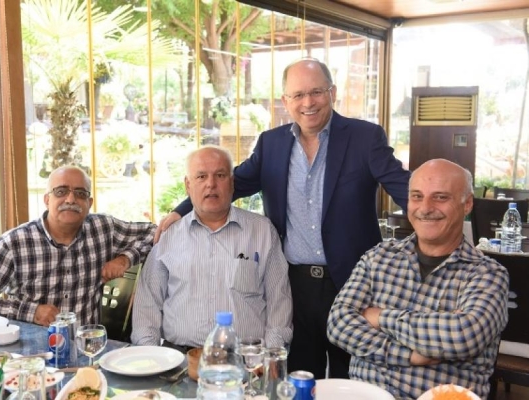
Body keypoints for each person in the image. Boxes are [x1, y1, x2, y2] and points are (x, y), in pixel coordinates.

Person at [155, 58, 410, 377]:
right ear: (285, 101)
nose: (308, 102)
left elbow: (406, 190)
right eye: (298, 95)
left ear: (332, 93)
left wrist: (434, 226)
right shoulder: (271, 143)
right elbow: (229, 183)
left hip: (353, 285)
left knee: (352, 378)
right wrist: (180, 211)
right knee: (299, 377)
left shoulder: (364, 137)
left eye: (316, 92)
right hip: (294, 287)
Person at [327, 159, 509, 400]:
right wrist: (408, 354)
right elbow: (338, 324)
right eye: (417, 196)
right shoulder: (378, 257)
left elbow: (462, 336)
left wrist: (379, 317)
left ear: (467, 204)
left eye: (440, 197)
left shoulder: (487, 274)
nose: (426, 207)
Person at [131, 146, 293, 351]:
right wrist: (151, 356)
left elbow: (279, 302)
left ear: (232, 183)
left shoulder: (262, 232)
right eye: (201, 176)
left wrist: (271, 357)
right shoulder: (169, 236)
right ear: (188, 185)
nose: (211, 184)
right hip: (180, 358)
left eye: (220, 175)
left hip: (246, 358)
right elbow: (147, 307)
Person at [0, 165, 156, 327]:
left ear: (89, 203)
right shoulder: (15, 243)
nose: (71, 199)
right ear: (47, 199)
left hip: (85, 347)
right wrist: (31, 312)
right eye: (61, 191)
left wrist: (125, 258)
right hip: (30, 350)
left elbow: (154, 232)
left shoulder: (103, 229)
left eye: (80, 193)